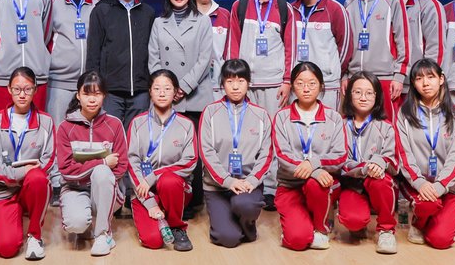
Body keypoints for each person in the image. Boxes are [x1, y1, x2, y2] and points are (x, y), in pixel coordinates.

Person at [226, 0, 294, 198]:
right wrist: (233, 79)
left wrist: (287, 80)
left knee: (272, 136)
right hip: (245, 83)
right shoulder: (240, 5)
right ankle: (245, 183)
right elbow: (233, 45)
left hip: (274, 84)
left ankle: (271, 189)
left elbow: (291, 48)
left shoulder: (284, 8)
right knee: (245, 135)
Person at [197, 59, 274, 248]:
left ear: (248, 83)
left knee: (245, 205)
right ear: (222, 84)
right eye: (230, 81)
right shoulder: (210, 112)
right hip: (217, 187)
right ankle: (229, 221)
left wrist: (252, 180)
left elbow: (267, 153)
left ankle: (246, 224)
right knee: (228, 239)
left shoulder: (261, 115)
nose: (235, 87)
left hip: (248, 185)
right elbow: (206, 152)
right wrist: (227, 181)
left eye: (241, 81)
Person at [0, 67, 56, 259]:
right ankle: (13, 214)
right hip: (3, 190)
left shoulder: (46, 122)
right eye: (17, 89)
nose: (22, 95)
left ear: (35, 90)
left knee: (38, 178)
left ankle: (35, 236)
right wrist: (20, 173)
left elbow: (48, 160)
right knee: (6, 248)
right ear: (9, 89)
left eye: (28, 89)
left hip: (31, 187)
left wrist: (30, 173)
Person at [53, 70, 131, 257]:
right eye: (87, 93)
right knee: (76, 224)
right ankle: (88, 221)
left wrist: (98, 173)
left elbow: (121, 166)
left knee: (103, 173)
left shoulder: (114, 124)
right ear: (78, 95)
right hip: (75, 188)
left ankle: (103, 234)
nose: (92, 99)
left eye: (97, 94)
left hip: (106, 191)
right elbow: (66, 170)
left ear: (104, 96)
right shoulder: (65, 127)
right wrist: (102, 161)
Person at [394, 59, 455, 250]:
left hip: (447, 186)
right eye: (419, 78)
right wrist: (419, 182)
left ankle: (434, 217)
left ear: (441, 79)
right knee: (427, 205)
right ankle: (419, 222)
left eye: (430, 77)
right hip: (416, 185)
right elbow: (403, 153)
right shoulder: (404, 114)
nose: (425, 83)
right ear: (413, 83)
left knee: (441, 240)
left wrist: (441, 185)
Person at [269, 62, 344, 251]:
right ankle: (301, 224)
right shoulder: (282, 117)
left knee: (314, 184)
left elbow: (340, 156)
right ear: (293, 86)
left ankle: (320, 227)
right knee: (297, 240)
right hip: (290, 186)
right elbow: (283, 156)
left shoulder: (334, 118)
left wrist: (313, 164)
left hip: (322, 185)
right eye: (300, 83)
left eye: (312, 83)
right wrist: (314, 171)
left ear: (321, 86)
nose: (306, 88)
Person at [125, 70, 198, 251]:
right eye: (157, 88)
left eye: (167, 88)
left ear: (176, 92)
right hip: (143, 190)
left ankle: (177, 226)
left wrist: (154, 175)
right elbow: (131, 161)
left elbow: (190, 161)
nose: (162, 93)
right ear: (150, 91)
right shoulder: (137, 123)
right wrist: (150, 203)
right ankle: (158, 213)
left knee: (168, 180)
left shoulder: (186, 124)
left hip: (174, 189)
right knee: (153, 241)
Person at [333, 71, 400, 253]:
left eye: (369, 93)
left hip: (376, 181)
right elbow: (338, 161)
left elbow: (394, 163)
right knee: (353, 221)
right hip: (351, 185)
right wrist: (365, 167)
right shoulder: (339, 125)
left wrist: (379, 162)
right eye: (357, 92)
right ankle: (359, 224)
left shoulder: (386, 127)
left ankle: (386, 230)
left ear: (377, 96)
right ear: (349, 95)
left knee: (382, 181)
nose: (363, 98)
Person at [85, 0, 156, 126]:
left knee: (136, 135)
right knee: (109, 135)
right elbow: (93, 52)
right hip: (110, 90)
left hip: (141, 90)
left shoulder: (148, 12)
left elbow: (153, 51)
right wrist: (95, 86)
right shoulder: (102, 10)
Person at [343, 0, 407, 116]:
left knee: (386, 125)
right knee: (354, 124)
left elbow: (403, 41)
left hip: (385, 77)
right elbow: (344, 44)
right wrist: (344, 76)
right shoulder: (349, 3)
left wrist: (399, 77)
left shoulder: (393, 0)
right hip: (355, 77)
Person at [47, 0, 103, 125]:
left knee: (90, 135)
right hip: (58, 84)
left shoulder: (100, 2)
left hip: (91, 85)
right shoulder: (49, 0)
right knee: (59, 132)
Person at [148, 0, 216, 116]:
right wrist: (166, 88)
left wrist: (184, 87)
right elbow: (153, 59)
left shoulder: (203, 21)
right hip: (165, 96)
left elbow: (205, 60)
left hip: (195, 97)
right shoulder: (158, 23)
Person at [291, 0, 350, 110]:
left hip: (326, 82)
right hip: (299, 81)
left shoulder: (335, 9)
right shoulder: (291, 10)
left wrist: (332, 69)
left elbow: (345, 46)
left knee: (327, 122)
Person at [191, 0, 232, 101]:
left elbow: (229, 51)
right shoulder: (186, 15)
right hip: (191, 84)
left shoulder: (225, 15)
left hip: (218, 85)